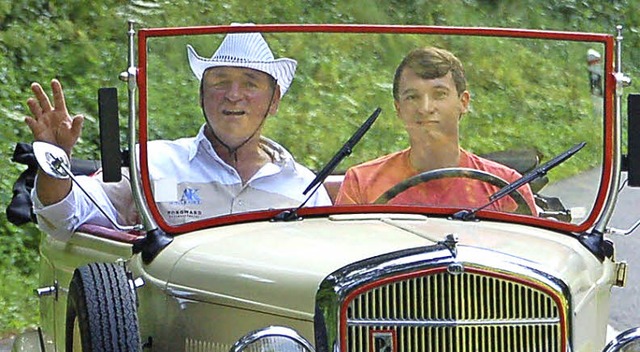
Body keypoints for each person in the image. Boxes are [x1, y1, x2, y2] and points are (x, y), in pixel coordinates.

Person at [26, 28, 330, 239]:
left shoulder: (304, 188)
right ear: (201, 95)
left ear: (273, 100)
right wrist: (54, 158)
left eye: (250, 83)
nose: (233, 95)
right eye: (220, 81)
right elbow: (64, 218)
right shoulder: (154, 164)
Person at [335, 46, 536, 214]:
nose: (425, 108)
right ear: (399, 109)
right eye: (412, 97)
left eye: (439, 95)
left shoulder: (506, 186)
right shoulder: (362, 183)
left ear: (463, 102)